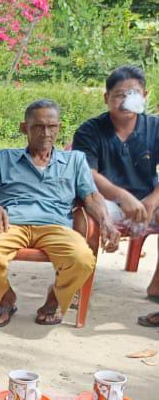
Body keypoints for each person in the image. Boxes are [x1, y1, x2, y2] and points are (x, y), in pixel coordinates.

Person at [0, 99, 119, 327]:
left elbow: (91, 196)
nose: (46, 133)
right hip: (11, 224)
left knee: (82, 258)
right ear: (24, 128)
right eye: (38, 126)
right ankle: (5, 298)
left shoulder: (74, 160)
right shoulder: (4, 158)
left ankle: (55, 298)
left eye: (52, 127)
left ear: (59, 127)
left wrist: (106, 221)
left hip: (56, 226)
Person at [70, 64, 159, 327]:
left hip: (148, 199)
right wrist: (122, 196)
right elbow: (89, 173)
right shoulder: (90, 130)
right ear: (106, 97)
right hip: (105, 200)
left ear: (145, 95)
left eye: (133, 93)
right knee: (84, 221)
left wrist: (152, 201)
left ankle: (157, 285)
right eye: (118, 94)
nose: (125, 101)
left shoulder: (155, 127)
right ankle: (74, 283)